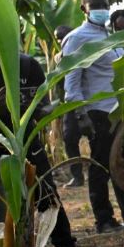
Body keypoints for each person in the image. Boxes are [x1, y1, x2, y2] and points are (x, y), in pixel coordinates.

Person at [0, 24, 82, 247]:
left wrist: (42, 110)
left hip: (24, 139)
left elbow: (43, 105)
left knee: (46, 193)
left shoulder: (27, 66)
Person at [62, 0, 124, 232]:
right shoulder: (77, 38)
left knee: (121, 164)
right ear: (85, 9)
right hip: (98, 112)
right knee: (102, 166)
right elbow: (71, 81)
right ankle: (104, 219)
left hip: (119, 109)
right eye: (96, 6)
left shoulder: (111, 35)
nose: (102, 9)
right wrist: (81, 115)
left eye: (105, 5)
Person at [55, 24, 85, 188]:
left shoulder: (83, 50)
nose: (60, 41)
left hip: (85, 100)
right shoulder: (60, 56)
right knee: (69, 139)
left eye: (63, 37)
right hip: (69, 103)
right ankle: (77, 175)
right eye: (58, 38)